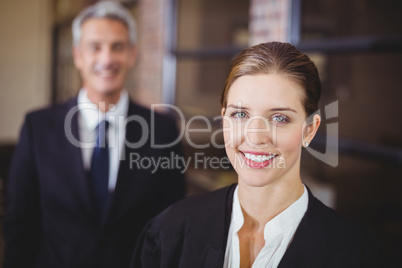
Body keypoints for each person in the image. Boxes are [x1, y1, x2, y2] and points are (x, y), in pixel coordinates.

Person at [132, 42, 389, 268]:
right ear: (224, 122)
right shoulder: (170, 232)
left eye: (279, 118)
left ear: (309, 130)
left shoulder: (357, 255)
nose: (255, 136)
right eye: (240, 115)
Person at [4, 2, 185, 268]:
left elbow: (171, 226)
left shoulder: (163, 130)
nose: (107, 59)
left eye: (118, 47)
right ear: (78, 55)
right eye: (95, 47)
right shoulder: (38, 128)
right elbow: (20, 225)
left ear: (133, 54)